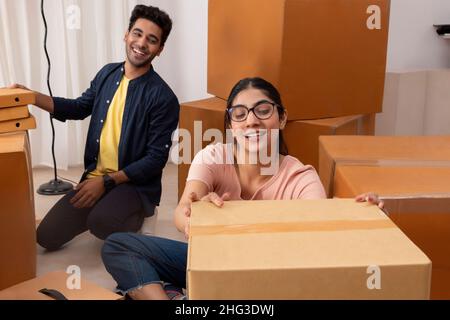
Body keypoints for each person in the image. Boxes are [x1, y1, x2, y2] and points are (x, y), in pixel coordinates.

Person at [101, 77, 384, 300]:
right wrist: (195, 215)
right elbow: (181, 212)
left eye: (263, 110)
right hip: (212, 261)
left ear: (282, 119)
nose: (251, 120)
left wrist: (357, 214)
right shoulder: (212, 157)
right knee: (119, 245)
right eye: (240, 113)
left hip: (270, 275)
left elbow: (321, 232)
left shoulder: (301, 177)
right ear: (231, 125)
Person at [9, 5, 179, 251]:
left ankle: (139, 216)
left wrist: (107, 183)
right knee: (46, 236)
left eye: (152, 40)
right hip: (95, 178)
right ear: (126, 34)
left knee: (100, 223)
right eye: (137, 33)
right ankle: (106, 207)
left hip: (133, 185)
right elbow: (78, 107)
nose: (142, 43)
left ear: (160, 49)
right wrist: (32, 96)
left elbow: (155, 159)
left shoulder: (163, 98)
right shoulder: (107, 74)